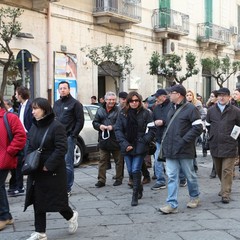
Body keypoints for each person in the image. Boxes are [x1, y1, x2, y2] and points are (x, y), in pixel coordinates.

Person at [24, 98, 78, 240]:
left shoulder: (56, 126)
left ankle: (71, 216)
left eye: (36, 109)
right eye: (32, 109)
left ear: (45, 109)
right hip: (36, 169)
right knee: (37, 199)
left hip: (52, 171)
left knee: (57, 201)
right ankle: (40, 232)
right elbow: (29, 144)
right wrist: (29, 161)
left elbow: (62, 148)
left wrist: (48, 165)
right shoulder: (34, 126)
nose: (33, 112)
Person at [159, 84, 202, 214]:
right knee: (171, 176)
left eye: (171, 93)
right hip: (171, 150)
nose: (169, 95)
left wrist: (183, 140)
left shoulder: (191, 109)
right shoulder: (171, 108)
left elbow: (198, 128)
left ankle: (194, 197)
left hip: (185, 150)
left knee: (190, 175)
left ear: (178, 94)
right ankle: (171, 204)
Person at [115, 91, 156, 206]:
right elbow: (118, 130)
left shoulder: (146, 113)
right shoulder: (122, 113)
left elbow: (152, 130)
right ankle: (139, 187)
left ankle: (134, 195)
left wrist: (144, 140)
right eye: (131, 101)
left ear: (139, 101)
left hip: (140, 144)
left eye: (136, 101)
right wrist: (125, 144)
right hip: (126, 145)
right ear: (128, 102)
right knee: (130, 170)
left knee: (135, 169)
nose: (134, 103)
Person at [206, 87, 240, 204]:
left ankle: (226, 193)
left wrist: (234, 138)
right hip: (215, 144)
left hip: (230, 145)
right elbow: (208, 125)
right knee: (219, 169)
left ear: (229, 97)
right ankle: (224, 187)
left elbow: (239, 127)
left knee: (227, 170)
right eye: (219, 95)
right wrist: (211, 137)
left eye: (224, 95)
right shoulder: (211, 110)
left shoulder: (235, 111)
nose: (221, 97)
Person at [53, 81, 84, 196]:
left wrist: (73, 134)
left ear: (69, 89)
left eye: (64, 88)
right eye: (60, 88)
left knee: (67, 163)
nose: (62, 90)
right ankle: (59, 186)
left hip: (69, 137)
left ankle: (67, 188)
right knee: (57, 163)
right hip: (57, 138)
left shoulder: (75, 104)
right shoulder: (56, 104)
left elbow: (80, 121)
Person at [0, 94, 26, 231]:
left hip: (4, 159)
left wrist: (9, 151)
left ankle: (4, 217)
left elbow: (21, 136)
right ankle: (7, 216)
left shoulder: (9, 117)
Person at [92, 91, 123, 188]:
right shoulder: (100, 110)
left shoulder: (119, 110)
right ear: (105, 100)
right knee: (102, 160)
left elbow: (122, 123)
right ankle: (101, 180)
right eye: (109, 100)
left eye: (113, 100)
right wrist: (100, 126)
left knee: (119, 161)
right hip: (103, 139)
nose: (111, 101)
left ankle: (119, 178)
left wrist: (113, 127)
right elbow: (95, 122)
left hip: (116, 139)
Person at [9, 86, 33, 197]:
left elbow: (33, 123)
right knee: (18, 163)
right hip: (21, 137)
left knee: (27, 162)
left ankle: (28, 186)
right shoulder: (21, 106)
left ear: (21, 95)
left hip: (28, 137)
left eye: (16, 94)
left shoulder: (30, 105)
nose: (15, 96)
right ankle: (20, 187)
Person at [151, 89, 171, 191]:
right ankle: (160, 180)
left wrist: (163, 121)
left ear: (164, 96)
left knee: (174, 160)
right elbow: (152, 119)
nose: (156, 99)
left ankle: (181, 178)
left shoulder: (172, 106)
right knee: (158, 159)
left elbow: (174, 120)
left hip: (171, 138)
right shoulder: (156, 108)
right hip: (159, 137)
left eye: (158, 97)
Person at [206, 90, 218, 178]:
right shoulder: (210, 108)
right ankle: (214, 169)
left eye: (212, 96)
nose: (211, 98)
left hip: (223, 133)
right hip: (212, 133)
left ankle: (216, 169)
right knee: (214, 151)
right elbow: (207, 122)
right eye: (210, 96)